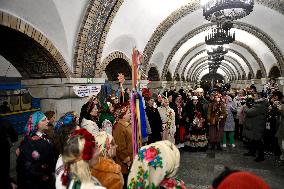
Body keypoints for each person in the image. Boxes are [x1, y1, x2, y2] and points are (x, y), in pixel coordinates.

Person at [16, 111, 55, 189]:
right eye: (43, 120)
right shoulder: (31, 141)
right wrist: (44, 175)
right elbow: (29, 166)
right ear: (36, 124)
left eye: (47, 119)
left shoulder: (43, 136)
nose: (47, 121)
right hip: (38, 182)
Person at [243, 92, 269, 162]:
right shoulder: (259, 104)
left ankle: (261, 156)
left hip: (257, 125)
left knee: (258, 141)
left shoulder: (260, 105)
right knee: (253, 139)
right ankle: (252, 152)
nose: (253, 98)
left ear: (259, 97)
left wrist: (245, 107)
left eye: (255, 96)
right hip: (256, 124)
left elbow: (249, 112)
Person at [112, 103, 133, 188]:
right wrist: (126, 160)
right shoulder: (119, 127)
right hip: (125, 165)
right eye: (128, 113)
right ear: (123, 116)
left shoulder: (126, 125)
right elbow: (119, 147)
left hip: (130, 160)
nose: (130, 114)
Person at [0, 118, 18, 189]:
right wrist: (13, 141)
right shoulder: (3, 121)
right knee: (4, 166)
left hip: (3, 147)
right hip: (2, 148)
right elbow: (14, 134)